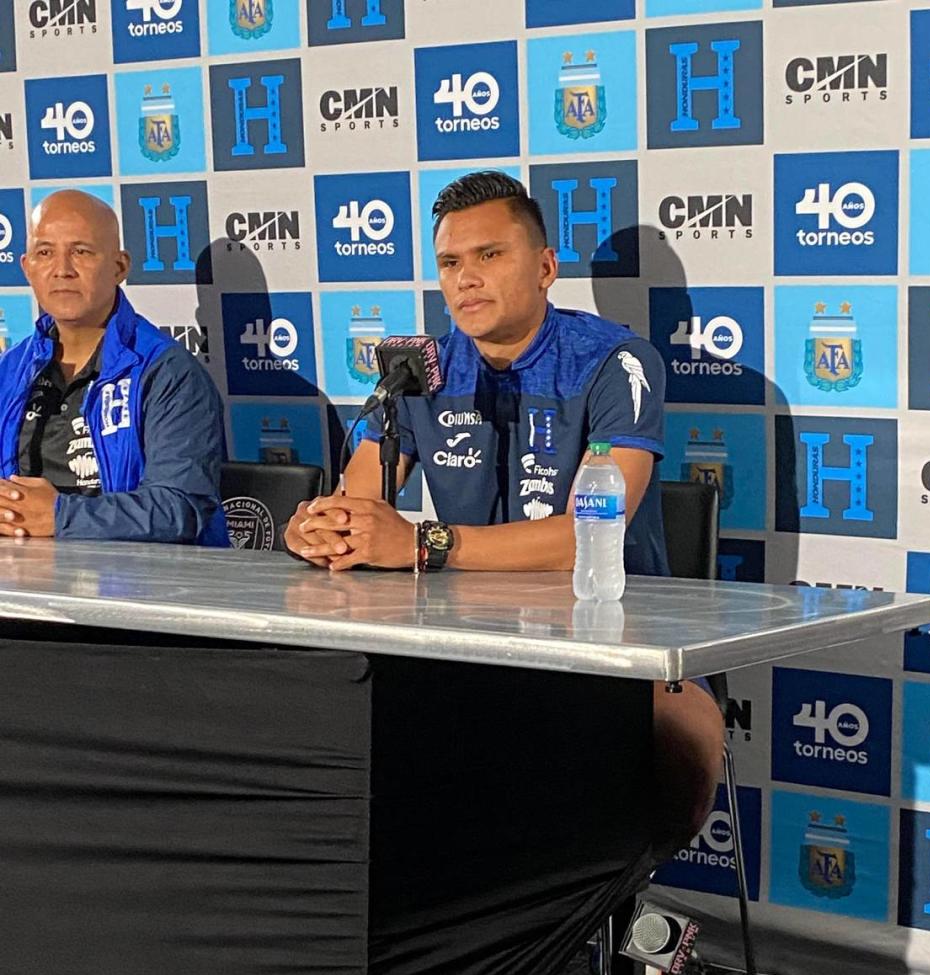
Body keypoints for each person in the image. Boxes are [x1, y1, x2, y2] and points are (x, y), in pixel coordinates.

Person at [284, 171, 722, 848]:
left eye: (490, 256)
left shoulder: (617, 361)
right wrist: (324, 528)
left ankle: (607, 914)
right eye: (451, 263)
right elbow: (360, 505)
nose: (467, 279)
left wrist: (423, 545)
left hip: (604, 649)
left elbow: (588, 541)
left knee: (679, 742)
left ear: (545, 267)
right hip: (464, 650)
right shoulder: (420, 368)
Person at [0, 190, 228, 545]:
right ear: (27, 267)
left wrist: (60, 515)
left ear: (119, 267)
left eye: (81, 252)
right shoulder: (9, 372)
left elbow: (180, 508)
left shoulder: (167, 373)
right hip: (25, 585)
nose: (62, 270)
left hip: (142, 588)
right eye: (45, 253)